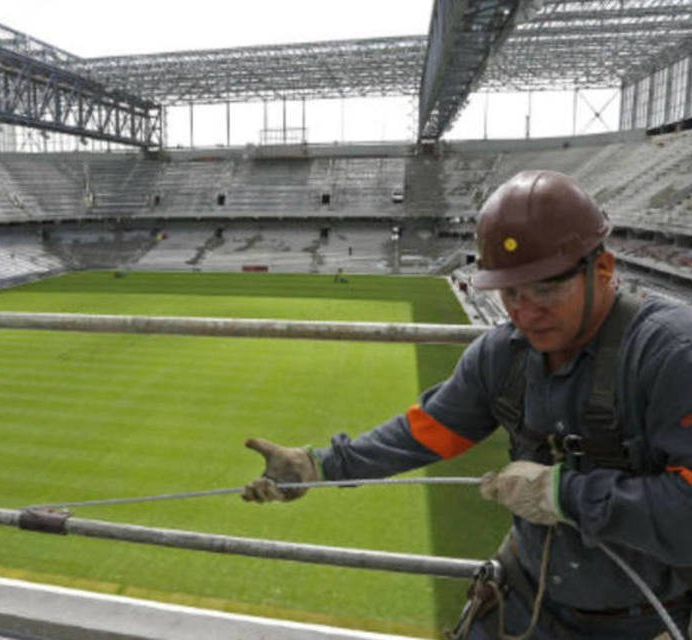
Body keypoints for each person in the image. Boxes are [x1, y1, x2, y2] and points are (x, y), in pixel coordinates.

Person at [243, 170, 692, 639]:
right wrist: (318, 465)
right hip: (525, 600)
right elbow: (426, 432)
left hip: (647, 622)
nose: (524, 310)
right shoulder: (504, 356)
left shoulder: (671, 354)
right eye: (511, 292)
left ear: (602, 271)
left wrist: (565, 495)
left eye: (545, 288)